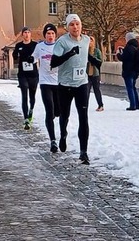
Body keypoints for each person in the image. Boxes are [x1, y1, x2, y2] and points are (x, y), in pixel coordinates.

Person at [50, 14, 100, 165]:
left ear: (81, 26)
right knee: (64, 116)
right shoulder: (62, 42)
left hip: (82, 84)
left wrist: (94, 61)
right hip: (65, 85)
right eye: (72, 24)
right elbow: (54, 62)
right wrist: (69, 54)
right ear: (67, 27)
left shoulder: (86, 40)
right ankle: (63, 134)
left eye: (77, 24)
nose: (75, 27)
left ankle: (83, 152)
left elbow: (84, 56)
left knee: (83, 117)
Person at [32, 23, 61, 153]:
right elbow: (33, 58)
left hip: (58, 83)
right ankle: (53, 141)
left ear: (55, 35)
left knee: (58, 112)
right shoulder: (40, 47)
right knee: (49, 111)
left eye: (52, 34)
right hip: (45, 82)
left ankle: (57, 116)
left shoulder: (59, 46)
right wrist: (30, 59)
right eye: (48, 34)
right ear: (45, 35)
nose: (50, 36)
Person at [13, 27, 39, 130]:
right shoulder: (19, 45)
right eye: (25, 32)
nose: (27, 34)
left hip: (33, 74)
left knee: (32, 97)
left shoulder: (35, 45)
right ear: (22, 34)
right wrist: (15, 54)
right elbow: (15, 56)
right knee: (24, 96)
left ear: (30, 34)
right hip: (22, 74)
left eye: (28, 32)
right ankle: (26, 119)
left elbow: (39, 57)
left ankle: (31, 109)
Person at [117, 31, 139, 110]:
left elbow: (123, 58)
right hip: (135, 71)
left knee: (130, 88)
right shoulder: (136, 47)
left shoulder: (128, 47)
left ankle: (132, 105)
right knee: (133, 87)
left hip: (128, 71)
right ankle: (137, 104)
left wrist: (118, 53)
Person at [88, 35, 104, 111]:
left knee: (96, 90)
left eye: (91, 40)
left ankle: (100, 105)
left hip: (95, 74)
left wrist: (92, 58)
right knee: (86, 90)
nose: (89, 42)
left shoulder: (97, 51)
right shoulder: (85, 50)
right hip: (87, 74)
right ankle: (85, 106)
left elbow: (100, 61)